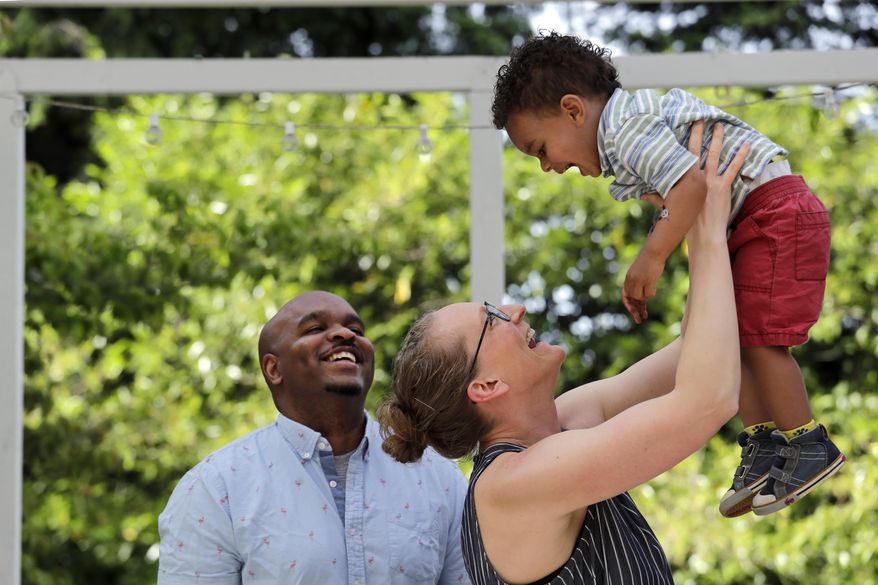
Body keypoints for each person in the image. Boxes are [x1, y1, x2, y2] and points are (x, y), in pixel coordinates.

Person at [489, 32, 844, 517]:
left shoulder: (627, 127)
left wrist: (651, 257)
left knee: (761, 341)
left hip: (774, 212)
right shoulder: (626, 139)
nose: (548, 166)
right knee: (734, 339)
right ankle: (765, 443)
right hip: (753, 217)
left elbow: (690, 185)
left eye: (540, 148)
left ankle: (807, 442)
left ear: (574, 110)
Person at [379, 124, 740, 585]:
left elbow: (701, 351)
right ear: (485, 387)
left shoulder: (562, 423)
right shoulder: (510, 485)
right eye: (492, 318)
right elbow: (708, 400)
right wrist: (705, 234)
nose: (515, 309)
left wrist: (687, 218)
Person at [158, 291, 471, 585]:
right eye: (315, 328)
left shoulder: (438, 476)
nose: (345, 335)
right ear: (273, 368)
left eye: (356, 329)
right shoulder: (215, 489)